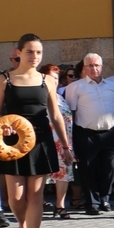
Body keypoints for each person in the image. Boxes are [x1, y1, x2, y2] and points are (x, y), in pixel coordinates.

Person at [0, 34, 74, 228]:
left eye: (38, 52)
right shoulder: (4, 79)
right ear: (18, 52)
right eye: (30, 52)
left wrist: (66, 147)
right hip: (13, 143)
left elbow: (56, 116)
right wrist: (4, 125)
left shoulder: (47, 80)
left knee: (35, 195)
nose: (35, 56)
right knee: (16, 198)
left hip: (41, 141)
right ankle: (22, 226)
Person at [65, 53, 114, 215]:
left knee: (112, 166)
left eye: (97, 65)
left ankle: (105, 197)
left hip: (109, 132)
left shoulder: (112, 86)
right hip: (86, 133)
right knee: (88, 168)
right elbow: (71, 113)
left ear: (102, 67)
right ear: (84, 68)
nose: (94, 68)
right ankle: (92, 203)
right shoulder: (75, 87)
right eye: (90, 65)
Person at [39, 64, 75, 219]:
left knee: (64, 173)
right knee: (41, 174)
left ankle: (60, 205)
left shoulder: (60, 97)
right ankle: (39, 202)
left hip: (64, 140)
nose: (54, 81)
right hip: (46, 140)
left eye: (56, 78)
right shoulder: (40, 96)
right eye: (51, 78)